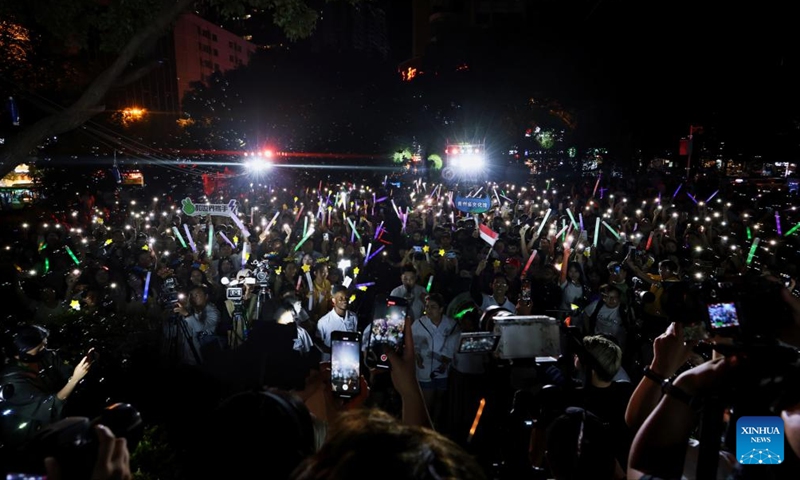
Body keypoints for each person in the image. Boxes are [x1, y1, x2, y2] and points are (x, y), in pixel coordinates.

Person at [0, 325, 95, 451]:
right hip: (32, 435)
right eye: (39, 348)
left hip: (62, 419)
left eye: (45, 345)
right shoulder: (12, 382)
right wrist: (75, 379)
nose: (44, 350)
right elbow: (49, 407)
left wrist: (85, 364)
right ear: (18, 353)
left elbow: (68, 372)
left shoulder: (47, 357)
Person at [411, 293, 461, 428]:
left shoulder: (451, 324)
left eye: (433, 307)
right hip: (424, 368)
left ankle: (436, 424)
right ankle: (424, 426)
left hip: (443, 370)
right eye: (427, 307)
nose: (429, 310)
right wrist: (417, 356)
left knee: (440, 399)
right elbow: (412, 344)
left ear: (441, 309)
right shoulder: (418, 324)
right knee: (427, 401)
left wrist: (447, 361)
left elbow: (455, 345)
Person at [173, 284, 222, 365]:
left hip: (203, 357)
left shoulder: (213, 312)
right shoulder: (189, 310)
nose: (193, 297)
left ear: (206, 296)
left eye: (197, 294)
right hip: (186, 356)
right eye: (191, 295)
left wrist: (186, 314)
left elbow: (199, 328)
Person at [315, 285, 358, 362]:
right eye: (340, 298)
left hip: (349, 361)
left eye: (346, 298)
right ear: (334, 300)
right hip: (330, 363)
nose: (344, 300)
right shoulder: (324, 322)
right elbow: (318, 342)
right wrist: (333, 351)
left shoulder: (353, 317)